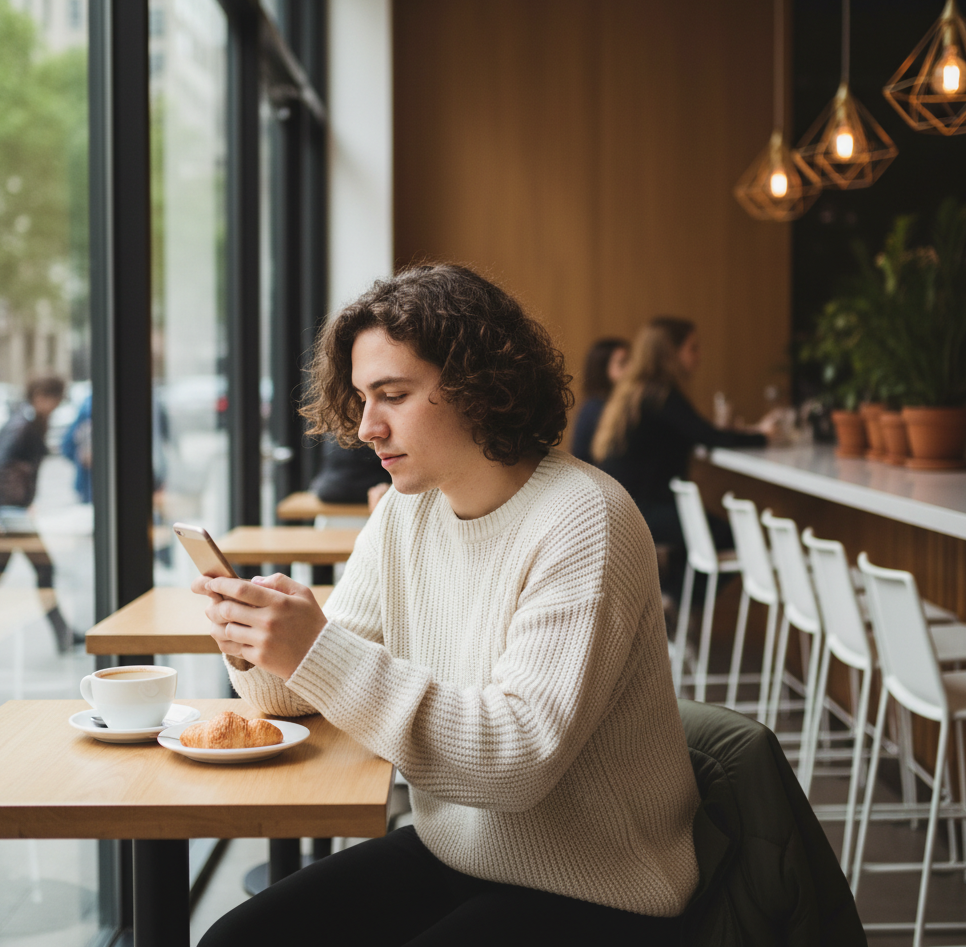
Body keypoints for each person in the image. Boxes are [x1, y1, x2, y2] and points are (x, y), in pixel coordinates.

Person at [195, 265, 701, 947]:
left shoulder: (585, 519)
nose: (368, 426)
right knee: (237, 940)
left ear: (478, 387)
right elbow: (306, 692)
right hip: (456, 847)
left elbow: (517, 760)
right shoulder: (409, 510)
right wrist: (257, 641)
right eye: (362, 397)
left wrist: (316, 650)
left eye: (393, 395)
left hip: (602, 887)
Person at [590, 318, 772, 585]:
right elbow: (708, 436)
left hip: (623, 506)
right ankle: (677, 599)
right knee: (735, 537)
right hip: (643, 510)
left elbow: (697, 431)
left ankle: (674, 600)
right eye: (693, 348)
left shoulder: (636, 392)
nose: (699, 357)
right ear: (670, 354)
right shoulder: (660, 395)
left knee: (702, 540)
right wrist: (763, 436)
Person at [0, 376, 84, 664]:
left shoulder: (27, 422)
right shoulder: (22, 425)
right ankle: (63, 633)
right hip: (9, 514)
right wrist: (13, 507)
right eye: (54, 400)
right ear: (42, 396)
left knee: (6, 572)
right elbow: (2, 466)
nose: (55, 407)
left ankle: (63, 632)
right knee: (33, 570)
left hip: (8, 512)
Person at [570, 336, 629, 462]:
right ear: (602, 369)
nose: (631, 369)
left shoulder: (633, 403)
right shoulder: (593, 409)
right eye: (623, 363)